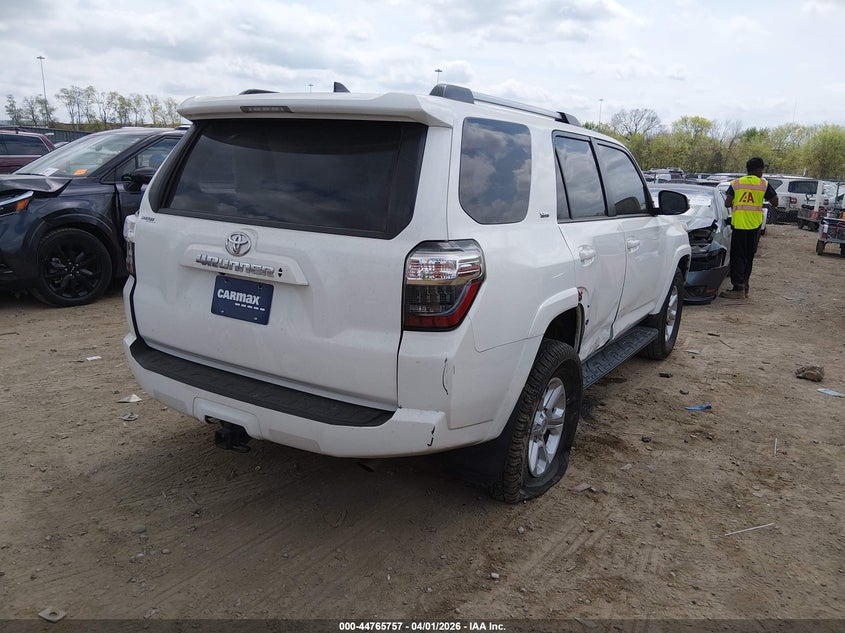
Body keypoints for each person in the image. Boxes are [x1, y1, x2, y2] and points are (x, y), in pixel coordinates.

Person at [720, 157, 778, 299]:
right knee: (748, 257)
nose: (762, 172)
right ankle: (745, 286)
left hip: (739, 225)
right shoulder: (764, 184)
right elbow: (775, 202)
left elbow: (727, 203)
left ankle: (737, 288)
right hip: (755, 226)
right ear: (757, 169)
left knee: (737, 256)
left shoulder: (736, 183)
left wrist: (737, 201)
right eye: (762, 169)